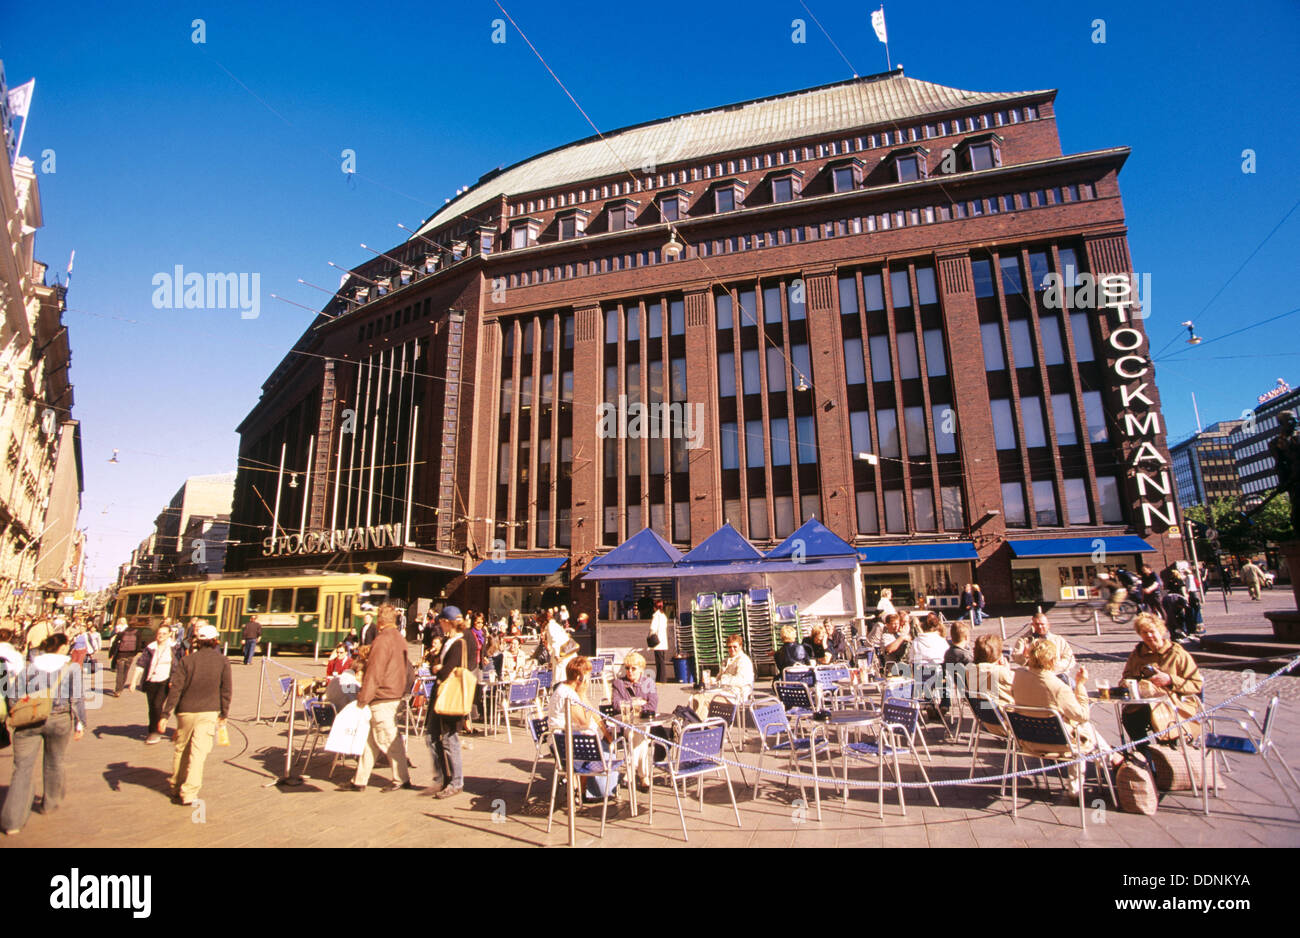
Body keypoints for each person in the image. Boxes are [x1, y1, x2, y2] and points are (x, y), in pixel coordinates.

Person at [1, 633, 86, 835]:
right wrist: (80, 723)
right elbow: (77, 698)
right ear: (63, 648)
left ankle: (12, 821)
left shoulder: (29, 667)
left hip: (29, 720)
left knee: (21, 768)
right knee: (54, 762)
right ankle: (50, 803)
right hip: (59, 720)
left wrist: (18, 714)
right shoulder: (71, 668)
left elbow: (13, 696)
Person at [1011, 639, 1119, 797]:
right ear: (1053, 660)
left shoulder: (1019, 676)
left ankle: (1111, 758)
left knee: (1084, 730)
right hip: (1058, 743)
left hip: (1027, 740)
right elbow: (1082, 715)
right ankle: (1111, 761)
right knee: (1086, 728)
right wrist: (1080, 685)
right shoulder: (1057, 686)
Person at [158, 624, 232, 807]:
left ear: (197, 641)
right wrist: (224, 713)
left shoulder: (187, 661)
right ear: (215, 641)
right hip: (209, 711)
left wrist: (165, 714)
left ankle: (175, 785)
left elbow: (176, 689)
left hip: (185, 711)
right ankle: (189, 792)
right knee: (198, 754)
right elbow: (226, 690)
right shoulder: (223, 661)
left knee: (181, 749)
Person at [343, 603, 413, 793]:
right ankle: (359, 780)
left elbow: (374, 672)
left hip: (383, 696)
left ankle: (401, 778)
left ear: (380, 620)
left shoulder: (382, 640)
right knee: (371, 741)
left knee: (388, 739)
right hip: (395, 694)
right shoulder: (400, 639)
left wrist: (363, 698)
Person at [1120, 613, 1203, 756]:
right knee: (1130, 716)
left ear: (1161, 631)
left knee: (1161, 718)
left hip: (1175, 703)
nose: (1149, 636)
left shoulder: (1177, 654)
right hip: (1145, 701)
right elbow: (1127, 676)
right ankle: (1145, 752)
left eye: (1152, 632)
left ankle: (1168, 754)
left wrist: (1170, 680)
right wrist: (1130, 683)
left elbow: (1196, 685)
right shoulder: (1137, 654)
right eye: (1144, 633)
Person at [549, 656, 620, 802]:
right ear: (579, 677)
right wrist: (581, 694)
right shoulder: (569, 695)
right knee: (606, 751)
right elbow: (584, 722)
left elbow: (591, 710)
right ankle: (586, 791)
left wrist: (605, 731)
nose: (589, 678)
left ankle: (582, 790)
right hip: (566, 745)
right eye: (587, 674)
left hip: (567, 742)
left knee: (604, 744)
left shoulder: (567, 688)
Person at [425, 606, 469, 799]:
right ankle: (443, 776)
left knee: (450, 739)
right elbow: (438, 664)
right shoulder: (447, 641)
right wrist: (438, 665)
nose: (439, 626)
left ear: (447, 622)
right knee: (431, 736)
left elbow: (447, 670)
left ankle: (456, 781)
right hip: (440, 693)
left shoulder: (458, 643)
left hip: (450, 695)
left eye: (441, 622)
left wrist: (439, 668)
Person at [611, 652, 660, 791]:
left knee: (639, 734)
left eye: (633, 668)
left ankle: (630, 772)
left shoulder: (648, 683)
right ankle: (644, 776)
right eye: (627, 668)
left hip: (644, 723)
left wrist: (627, 704)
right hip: (625, 724)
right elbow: (615, 704)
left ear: (641, 669)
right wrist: (637, 703)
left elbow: (652, 705)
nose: (629, 671)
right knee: (640, 735)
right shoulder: (619, 683)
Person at [135, 623, 181, 745]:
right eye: (159, 633)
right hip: (151, 680)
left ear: (170, 634)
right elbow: (141, 663)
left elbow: (180, 664)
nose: (161, 635)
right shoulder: (151, 647)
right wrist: (134, 681)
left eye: (164, 633)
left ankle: (155, 732)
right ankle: (152, 729)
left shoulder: (175, 648)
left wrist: (175, 679)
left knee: (157, 704)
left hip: (165, 680)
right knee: (152, 707)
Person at [1012, 613, 1076, 674]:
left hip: (1056, 673)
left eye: (1042, 624)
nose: (1039, 626)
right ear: (1032, 625)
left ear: (1048, 625)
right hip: (1033, 674)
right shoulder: (1024, 640)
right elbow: (1016, 657)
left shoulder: (1059, 640)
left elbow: (1070, 660)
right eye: (1037, 624)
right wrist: (1025, 657)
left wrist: (1053, 667)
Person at [941, 620, 974, 712]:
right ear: (966, 637)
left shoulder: (948, 653)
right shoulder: (965, 656)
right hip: (972, 690)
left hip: (961, 687)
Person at [109, 619, 141, 697]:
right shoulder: (138, 633)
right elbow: (139, 645)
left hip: (121, 655)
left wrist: (111, 653)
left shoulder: (122, 633)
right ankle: (121, 687)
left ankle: (118, 690)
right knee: (125, 672)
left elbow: (115, 643)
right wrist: (135, 653)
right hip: (130, 655)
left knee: (119, 673)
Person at [649, 600, 669, 682]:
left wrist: (650, 635)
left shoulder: (656, 616)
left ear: (655, 607)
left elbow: (653, 628)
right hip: (663, 642)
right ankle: (661, 678)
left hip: (657, 642)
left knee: (659, 662)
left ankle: (661, 679)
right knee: (662, 661)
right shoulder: (663, 615)